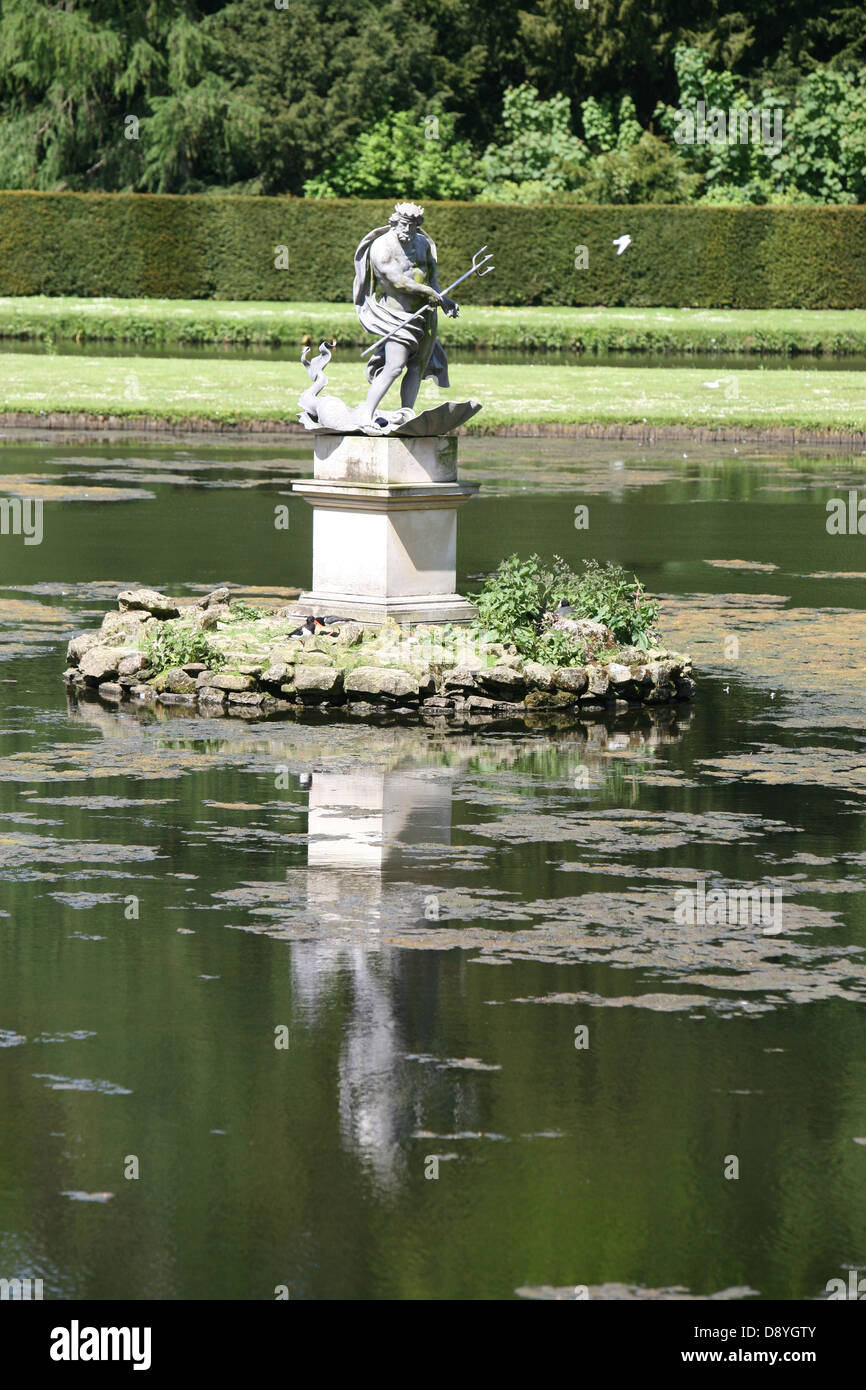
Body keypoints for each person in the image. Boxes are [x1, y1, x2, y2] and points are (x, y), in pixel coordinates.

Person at [353, 202, 459, 427]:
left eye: (412, 226)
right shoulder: (382, 246)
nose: (408, 231)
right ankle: (366, 413)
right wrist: (431, 293)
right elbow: (397, 281)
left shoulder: (423, 244)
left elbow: (432, 278)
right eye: (403, 224)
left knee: (418, 366)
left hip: (426, 314)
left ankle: (406, 413)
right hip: (398, 316)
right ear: (394, 221)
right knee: (394, 366)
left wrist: (443, 299)